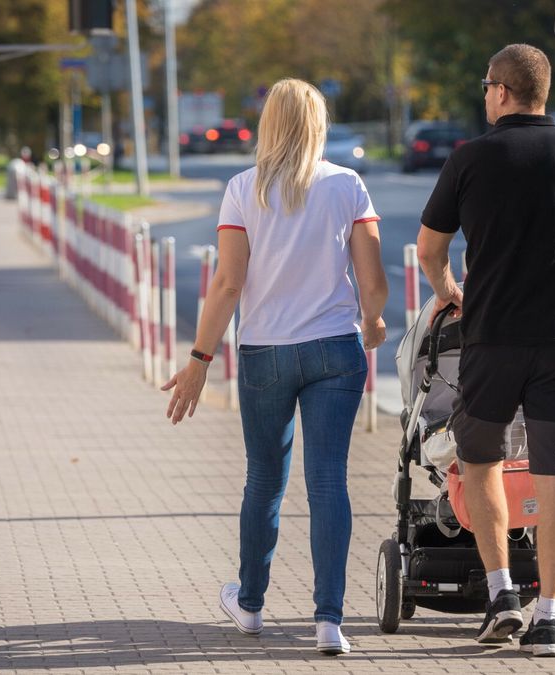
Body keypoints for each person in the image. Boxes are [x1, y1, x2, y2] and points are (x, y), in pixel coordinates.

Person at [161, 78, 387, 656]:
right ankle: (329, 620)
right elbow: (374, 282)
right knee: (329, 480)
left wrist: (198, 360)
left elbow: (229, 282)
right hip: (337, 350)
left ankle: (252, 605)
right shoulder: (348, 185)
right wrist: (374, 322)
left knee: (265, 479)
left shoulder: (242, 190)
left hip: (264, 352)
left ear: (268, 125)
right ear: (319, 124)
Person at [417, 44, 555, 657]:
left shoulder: (471, 160)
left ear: (502, 92)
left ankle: (501, 594)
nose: (484, 94)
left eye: (486, 85)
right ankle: (549, 617)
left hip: (490, 339)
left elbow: (430, 249)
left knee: (480, 463)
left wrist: (452, 294)